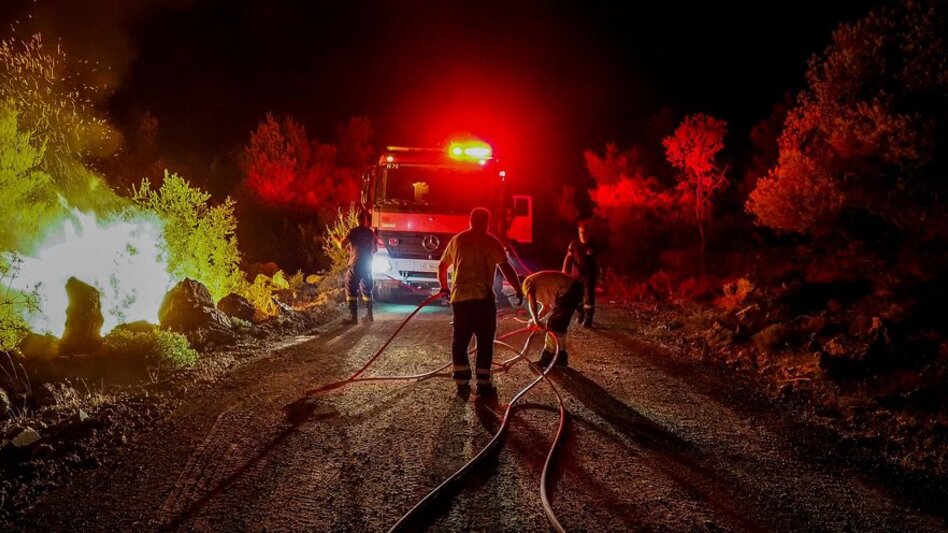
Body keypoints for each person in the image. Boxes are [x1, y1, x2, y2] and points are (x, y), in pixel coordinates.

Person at [438, 207, 523, 397]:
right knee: (485, 341)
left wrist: (444, 288)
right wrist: (518, 288)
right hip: (483, 300)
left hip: (460, 299)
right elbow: (506, 268)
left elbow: (442, 266)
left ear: (470, 221)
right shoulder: (491, 242)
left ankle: (462, 382)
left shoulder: (458, 240)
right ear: (487, 222)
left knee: (460, 341)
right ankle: (484, 384)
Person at [522, 270, 583, 368]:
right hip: (574, 288)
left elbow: (532, 301)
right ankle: (561, 359)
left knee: (553, 324)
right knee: (559, 326)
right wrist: (536, 319)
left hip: (569, 290)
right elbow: (546, 307)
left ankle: (547, 360)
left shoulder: (527, 282)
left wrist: (535, 320)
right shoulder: (539, 284)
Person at [339, 210, 378, 324]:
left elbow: (342, 245)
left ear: (356, 220)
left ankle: (353, 317)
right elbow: (375, 249)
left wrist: (336, 239)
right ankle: (369, 315)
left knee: (350, 287)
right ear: (365, 221)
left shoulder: (353, 231)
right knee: (366, 289)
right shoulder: (371, 233)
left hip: (355, 264)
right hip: (367, 264)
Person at [562, 220, 599, 328]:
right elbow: (568, 257)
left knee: (588, 298)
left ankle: (588, 319)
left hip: (589, 277)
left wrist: (599, 275)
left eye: (584, 232)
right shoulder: (574, 244)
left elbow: (599, 262)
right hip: (576, 276)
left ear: (589, 233)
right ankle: (580, 314)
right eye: (580, 232)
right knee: (575, 297)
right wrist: (564, 271)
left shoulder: (594, 245)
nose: (582, 234)